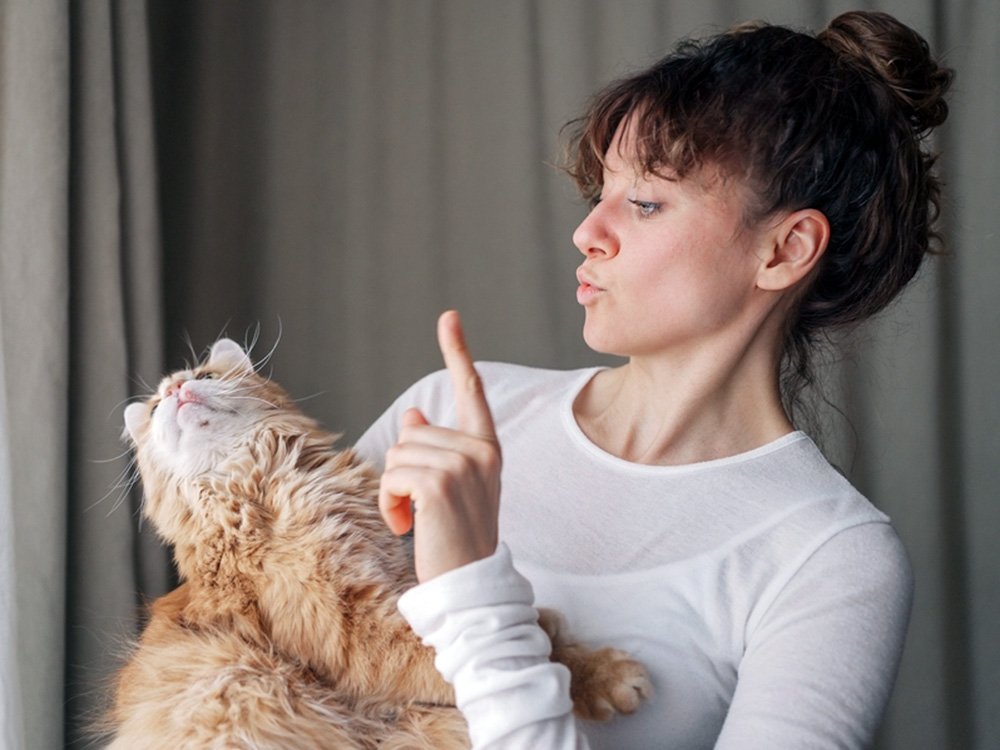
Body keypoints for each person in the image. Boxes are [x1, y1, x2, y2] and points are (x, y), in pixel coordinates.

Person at [355, 10, 953, 749]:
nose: (586, 233)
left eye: (644, 203)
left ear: (786, 249)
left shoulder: (829, 559)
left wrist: (471, 586)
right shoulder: (444, 416)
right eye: (599, 193)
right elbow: (243, 670)